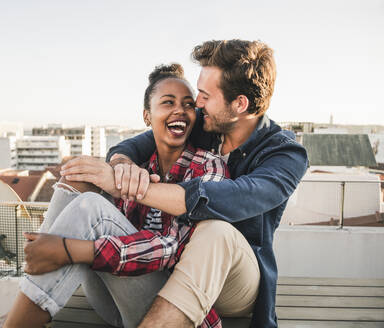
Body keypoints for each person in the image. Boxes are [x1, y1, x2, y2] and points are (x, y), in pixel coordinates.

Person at [63, 39, 308, 328]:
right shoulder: (206, 123)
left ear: (240, 103)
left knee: (216, 230)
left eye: (204, 95)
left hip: (235, 282)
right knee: (81, 184)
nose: (198, 103)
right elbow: (139, 142)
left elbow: (230, 199)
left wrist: (136, 190)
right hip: (173, 262)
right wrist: (122, 166)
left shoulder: (285, 155)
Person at [0, 63, 229, 328]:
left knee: (92, 209)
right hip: (116, 304)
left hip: (169, 309)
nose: (180, 110)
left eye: (188, 104)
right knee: (79, 177)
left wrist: (71, 250)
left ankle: (14, 323)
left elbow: (172, 250)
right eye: (168, 102)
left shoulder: (209, 166)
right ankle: (25, 297)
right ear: (147, 116)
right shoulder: (137, 167)